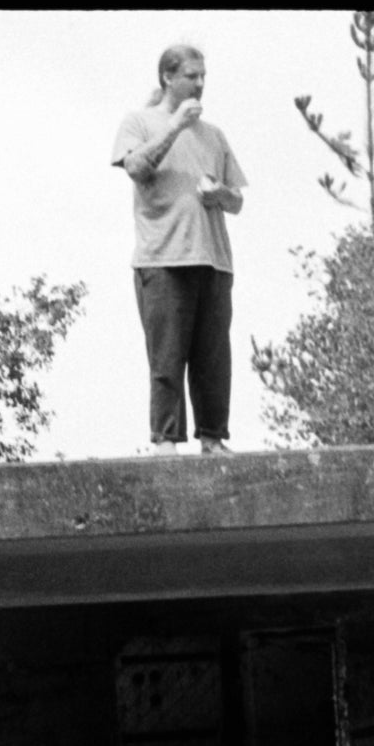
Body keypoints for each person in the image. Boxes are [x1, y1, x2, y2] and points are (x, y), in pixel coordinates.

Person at [112, 44, 247, 456]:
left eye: (204, 75)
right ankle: (166, 444)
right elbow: (135, 168)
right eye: (192, 75)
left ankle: (213, 438)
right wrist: (174, 127)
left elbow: (237, 201)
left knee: (213, 359)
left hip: (214, 259)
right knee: (167, 359)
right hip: (164, 259)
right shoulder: (139, 121)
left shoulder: (214, 135)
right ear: (168, 77)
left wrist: (220, 194)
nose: (201, 84)